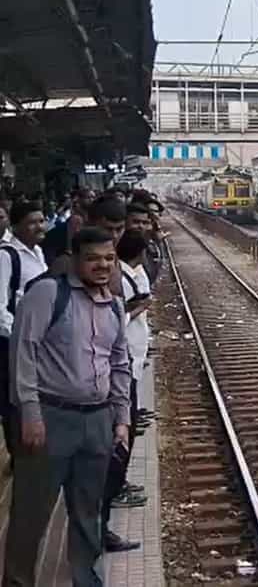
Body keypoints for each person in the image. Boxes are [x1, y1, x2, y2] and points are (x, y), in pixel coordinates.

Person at [4, 226, 131, 586]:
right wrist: (30, 414)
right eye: (92, 259)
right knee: (31, 512)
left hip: (98, 420)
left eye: (109, 258)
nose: (102, 266)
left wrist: (121, 418)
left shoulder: (114, 304)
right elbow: (23, 354)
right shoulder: (47, 294)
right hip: (51, 418)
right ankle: (17, 582)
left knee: (89, 510)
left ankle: (86, 579)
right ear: (75, 259)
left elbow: (119, 363)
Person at [98, 230, 152, 554]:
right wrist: (136, 308)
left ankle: (106, 513)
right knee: (116, 449)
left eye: (109, 259)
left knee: (122, 437)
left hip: (127, 366)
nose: (105, 267)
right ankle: (103, 519)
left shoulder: (129, 276)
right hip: (112, 379)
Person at [0, 200, 48, 462]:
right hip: (13, 343)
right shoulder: (6, 256)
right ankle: (18, 456)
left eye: (41, 220)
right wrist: (20, 335)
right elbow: (0, 308)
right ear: (16, 226)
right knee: (15, 400)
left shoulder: (38, 252)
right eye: (32, 222)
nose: (40, 226)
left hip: (38, 340)